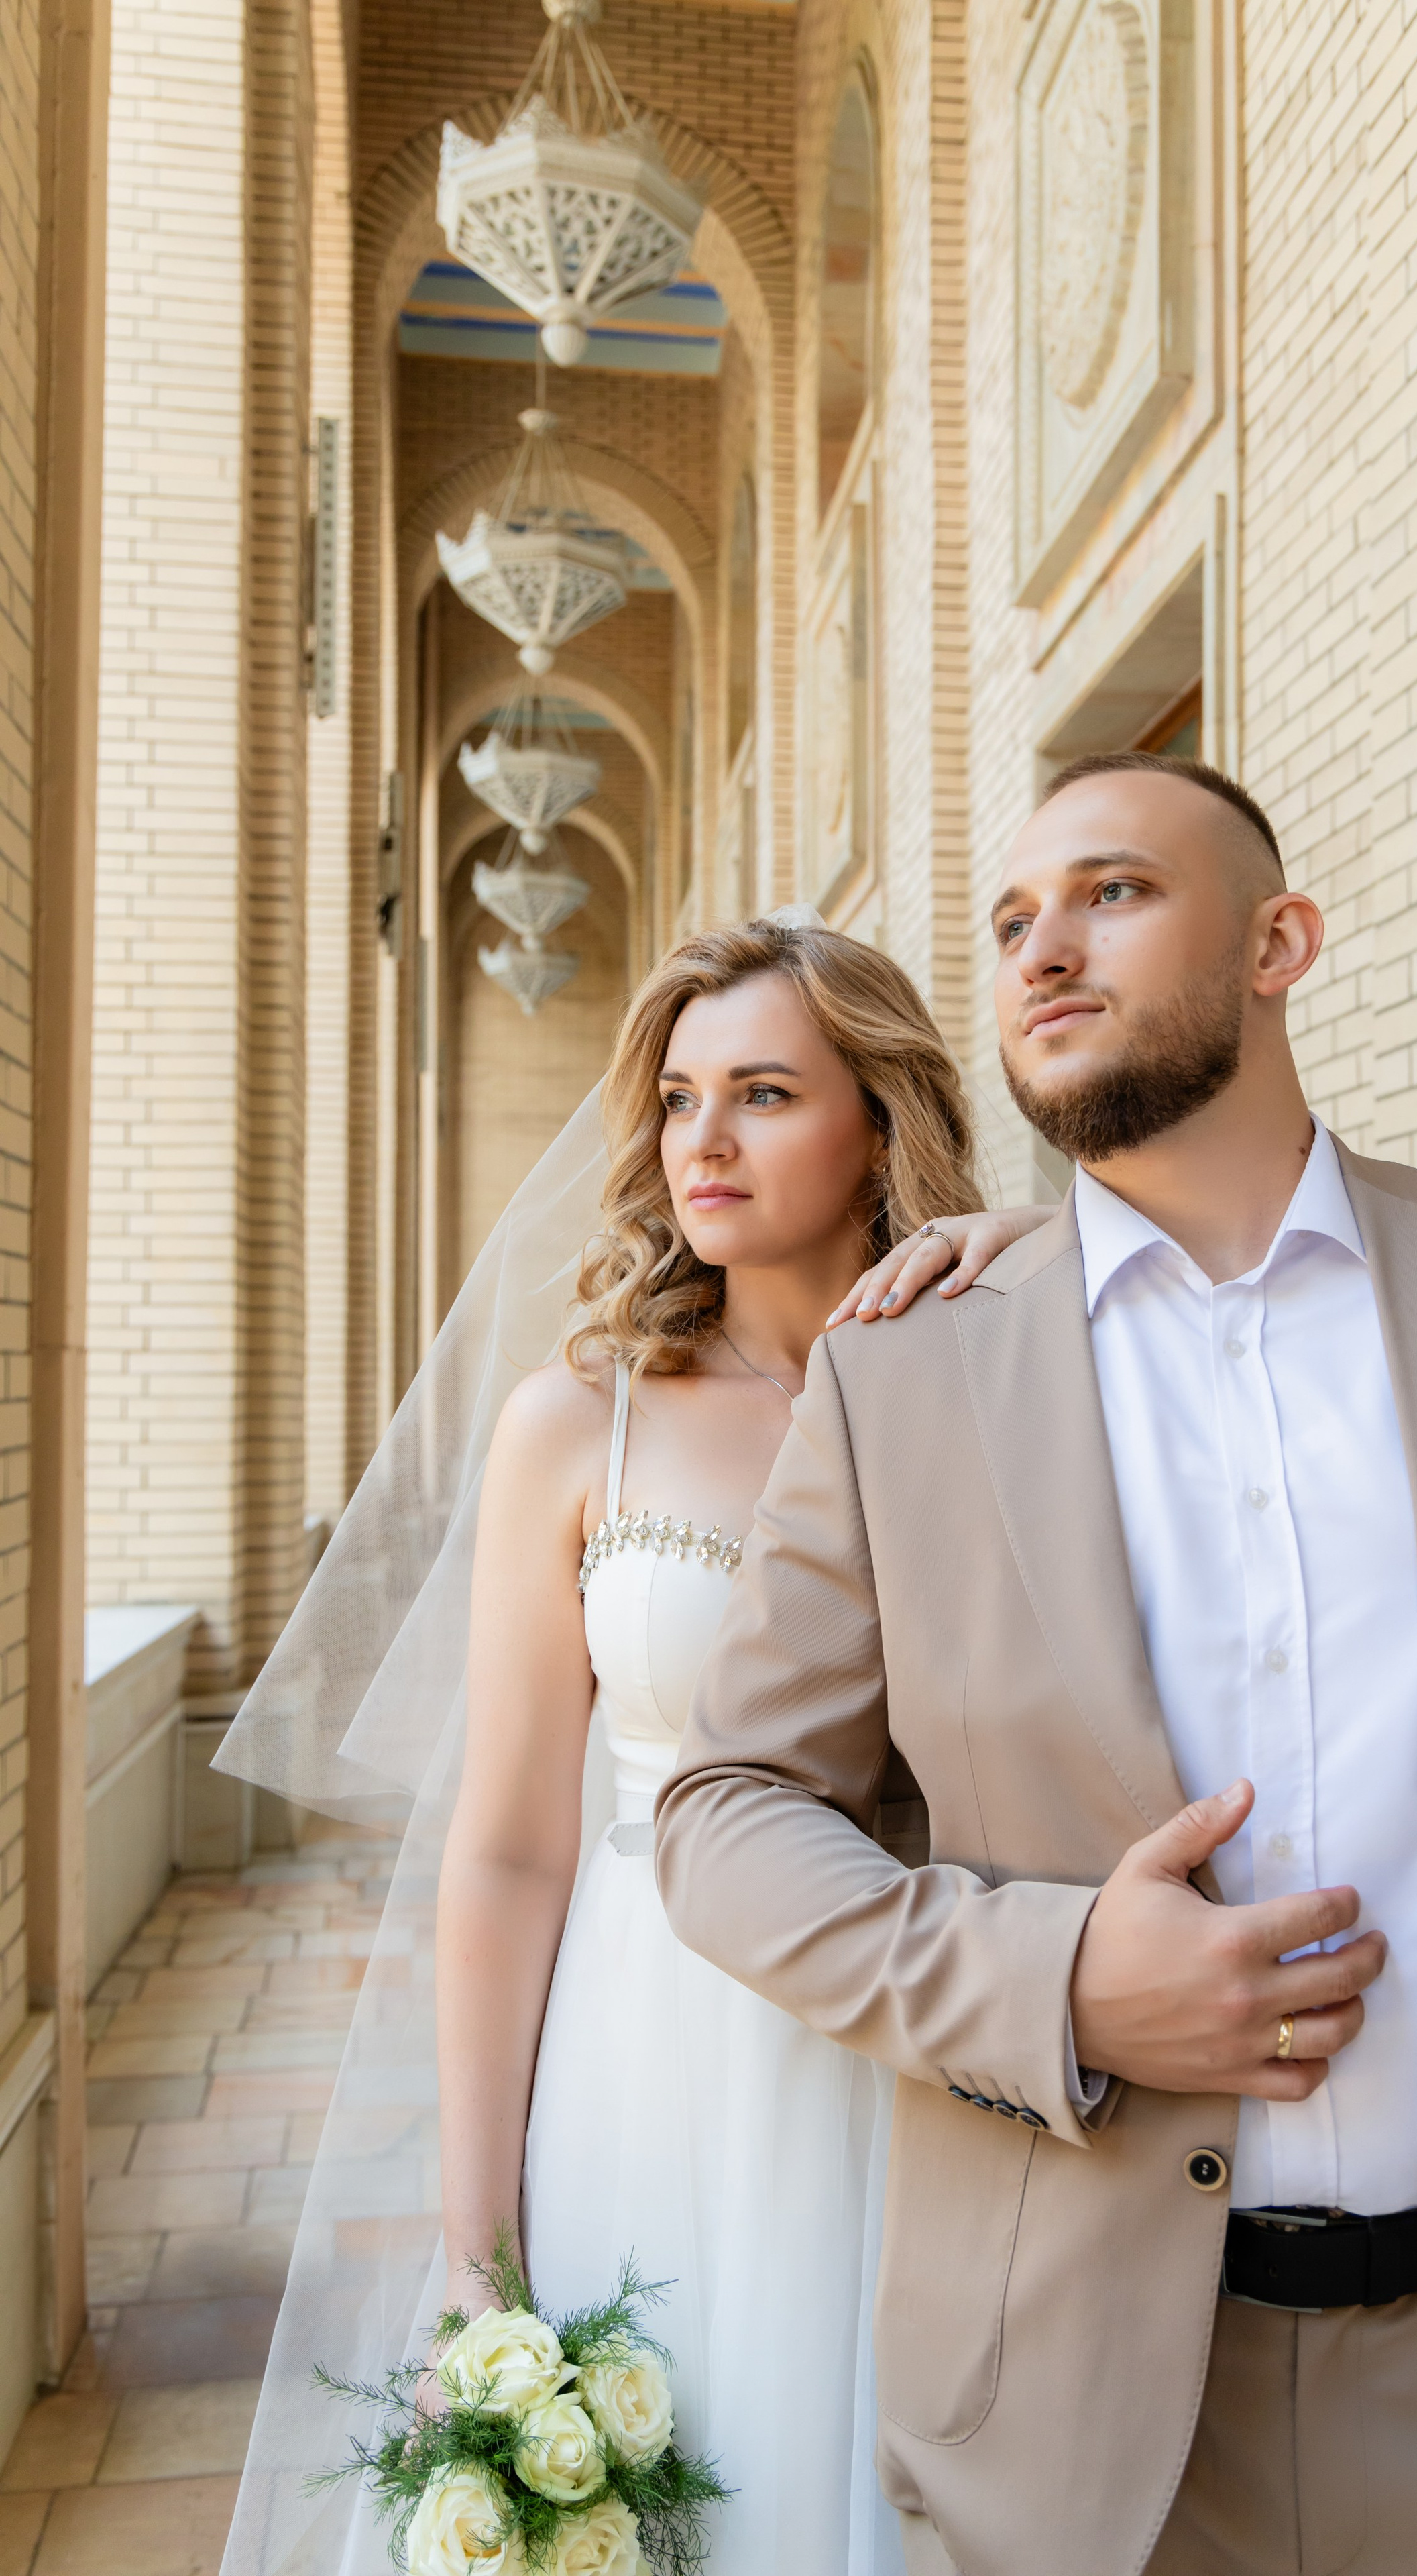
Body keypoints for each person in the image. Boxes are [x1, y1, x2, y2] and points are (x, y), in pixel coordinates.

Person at [657, 755, 1417, 2576]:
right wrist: (1059, 1982)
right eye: (1011, 920)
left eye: (1113, 893)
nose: (1041, 949)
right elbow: (725, 1816)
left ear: (1278, 943)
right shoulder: (903, 1372)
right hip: (1097, 2423)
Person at [212, 914, 1037, 2576]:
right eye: (676, 1098)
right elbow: (509, 1851)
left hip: (928, 2035)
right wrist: (476, 2254)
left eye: (762, 1094)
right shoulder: (580, 1421)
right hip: (649, 2046)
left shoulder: (993, 1385)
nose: (701, 1141)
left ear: (879, 1123)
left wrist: (1028, 1254)